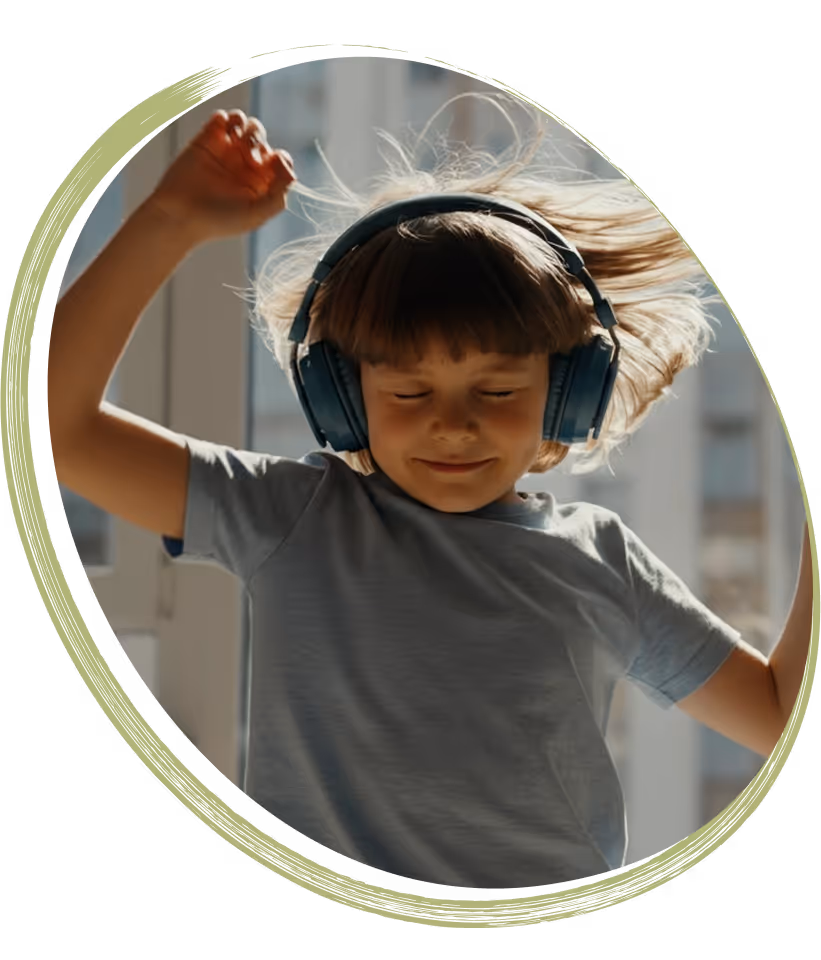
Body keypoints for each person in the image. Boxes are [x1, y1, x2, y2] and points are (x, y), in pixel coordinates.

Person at [49, 98, 814, 890]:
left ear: (567, 398)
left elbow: (773, 712)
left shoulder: (603, 561)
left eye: (497, 390)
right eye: (409, 395)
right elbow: (58, 430)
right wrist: (168, 219)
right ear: (341, 399)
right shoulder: (291, 516)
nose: (452, 428)